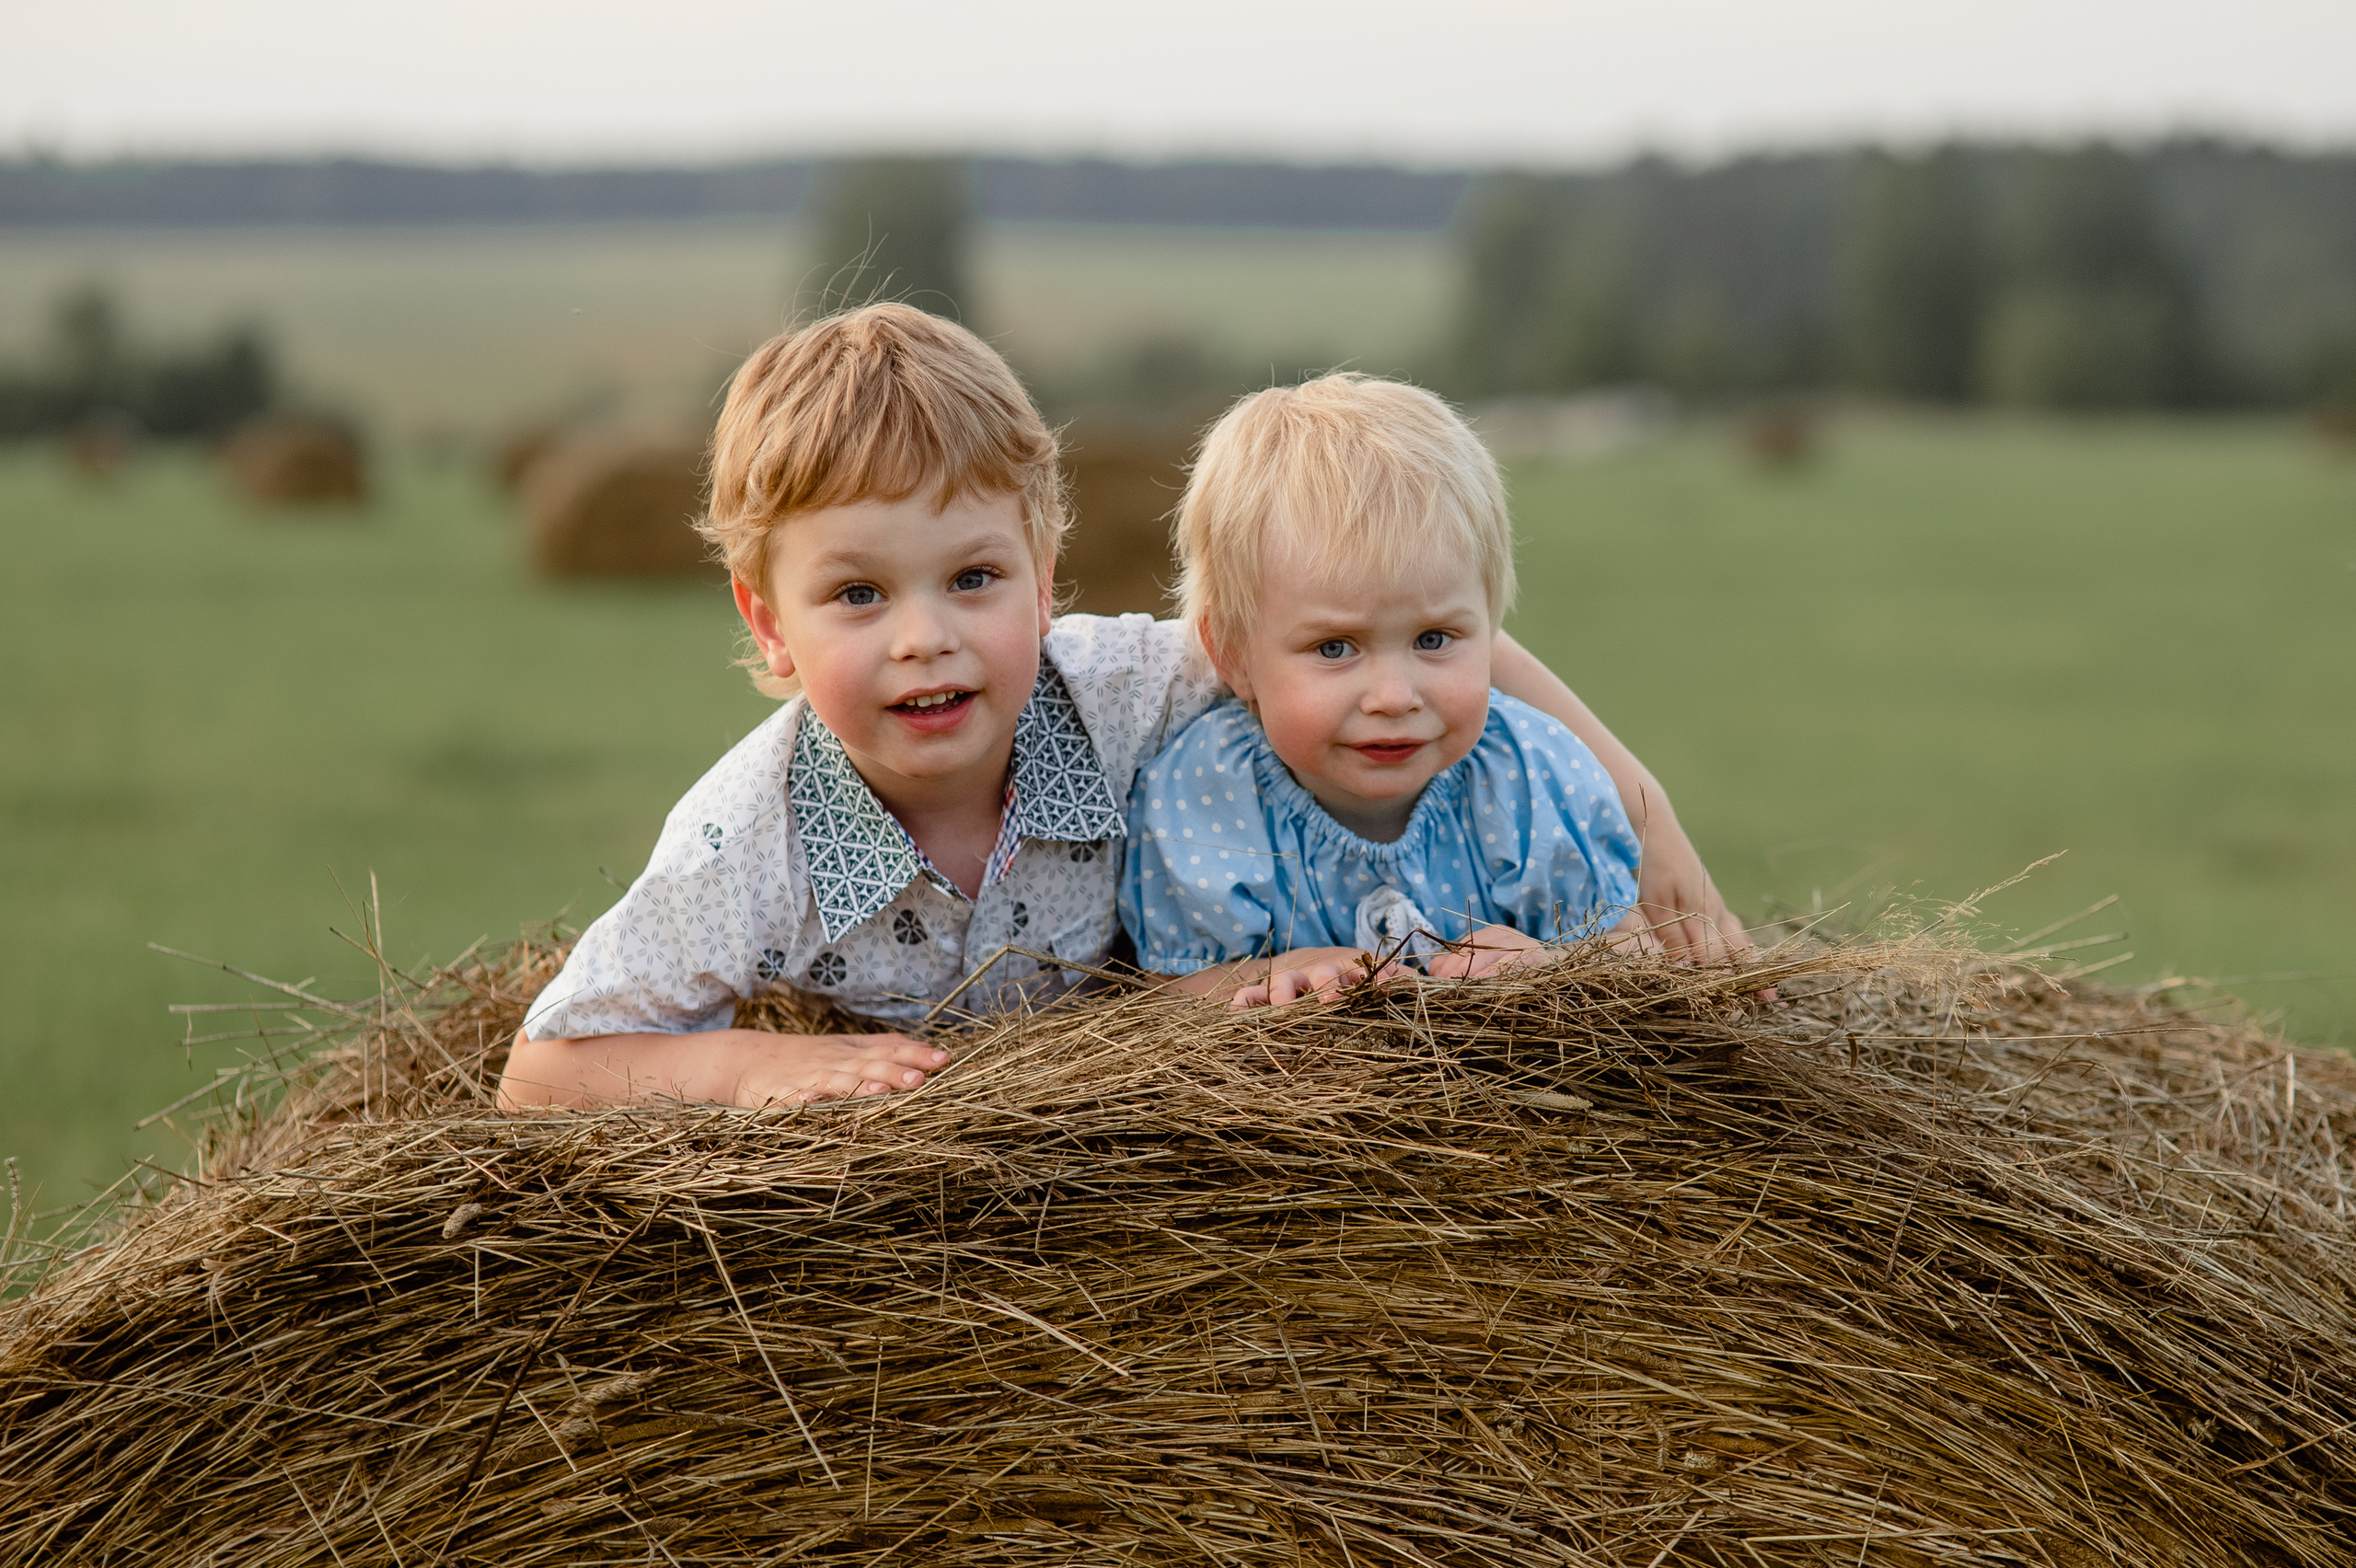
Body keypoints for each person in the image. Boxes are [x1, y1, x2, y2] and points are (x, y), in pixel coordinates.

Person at [500, 306, 1738, 1111]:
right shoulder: (742, 841)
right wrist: (756, 1066)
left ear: (1046, 579)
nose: (926, 634)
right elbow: (541, 1076)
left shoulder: (1116, 689)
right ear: (768, 622)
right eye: (859, 593)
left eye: (974, 578)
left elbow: (1379, 636)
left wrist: (1643, 801)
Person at [1122, 373, 1687, 1008]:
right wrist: (1279, 971)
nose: (1394, 696)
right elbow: (1166, 995)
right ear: (1234, 657)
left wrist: (1548, 969)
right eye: (1334, 648)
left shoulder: (1535, 780)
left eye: (1435, 639)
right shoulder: (1209, 798)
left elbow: (1637, 953)